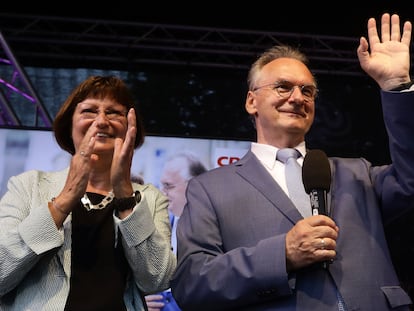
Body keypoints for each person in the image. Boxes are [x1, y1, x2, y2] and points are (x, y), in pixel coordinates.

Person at [171, 13, 414, 311]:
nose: (298, 97)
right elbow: (192, 283)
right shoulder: (208, 189)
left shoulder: (357, 173)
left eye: (307, 90)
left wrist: (397, 86)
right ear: (251, 101)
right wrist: (281, 255)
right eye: (283, 87)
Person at [0, 76, 176, 311]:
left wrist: (124, 194)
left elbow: (158, 279)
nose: (102, 121)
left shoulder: (150, 198)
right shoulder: (28, 186)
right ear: (69, 124)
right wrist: (63, 201)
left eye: (114, 112)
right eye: (89, 111)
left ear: (130, 127)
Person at [145, 151, 207, 311]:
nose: (162, 192)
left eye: (169, 186)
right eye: (161, 185)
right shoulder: (157, 223)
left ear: (195, 184)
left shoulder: (216, 228)